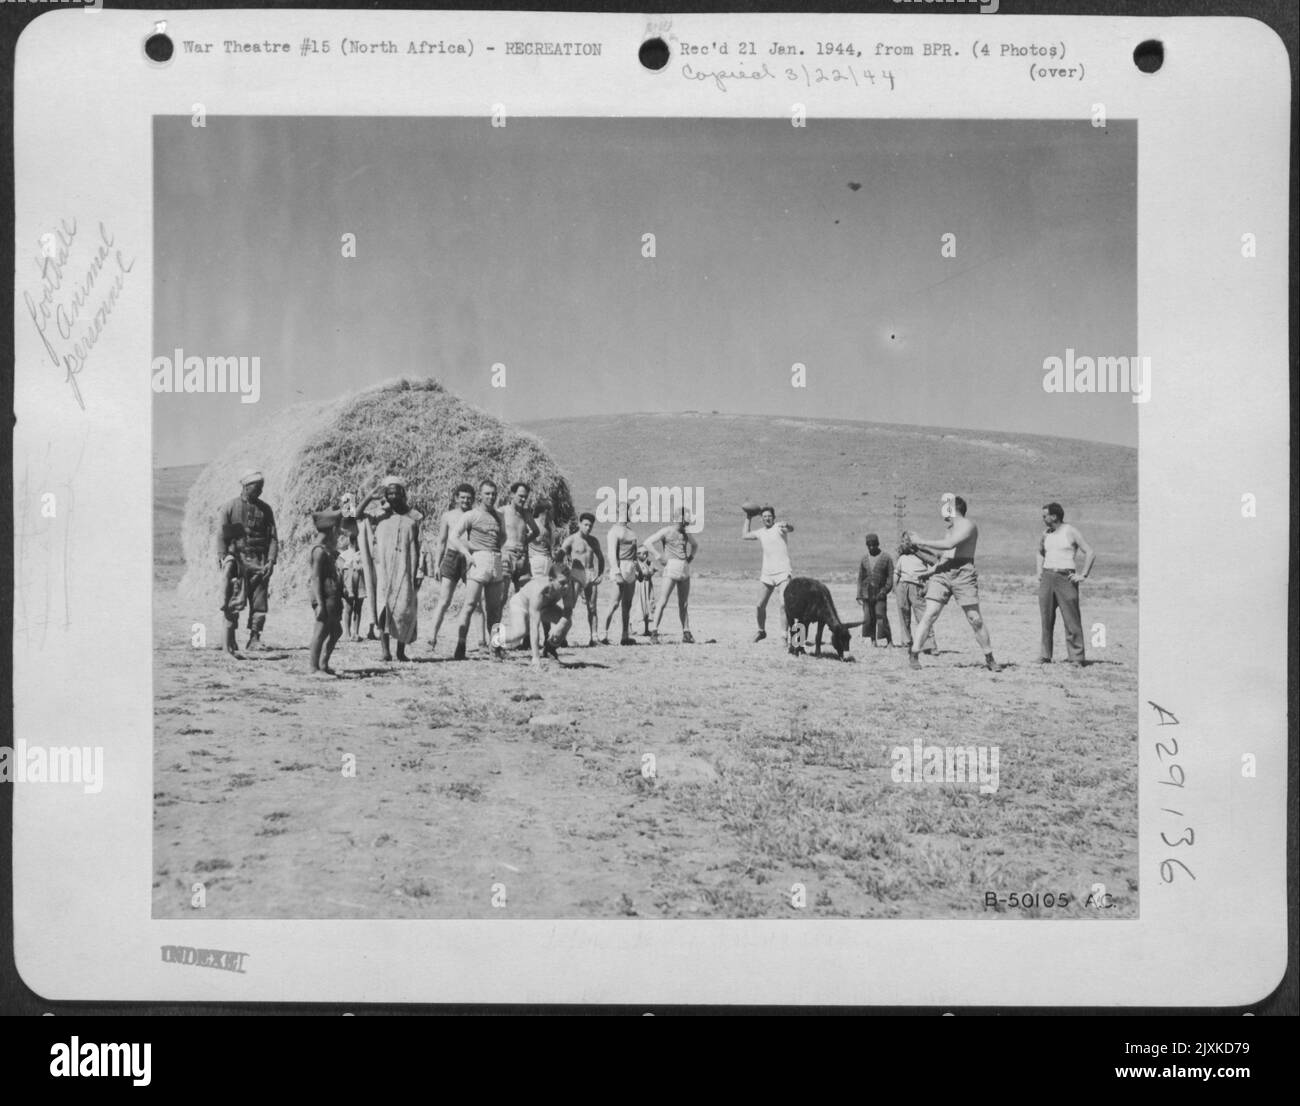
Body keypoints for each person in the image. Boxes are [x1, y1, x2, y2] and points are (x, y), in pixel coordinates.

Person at [905, 494, 1003, 672]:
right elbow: (946, 557)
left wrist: (920, 541)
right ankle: (914, 654)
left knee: (975, 619)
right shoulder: (951, 528)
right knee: (930, 614)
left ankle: (989, 657)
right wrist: (931, 571)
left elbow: (950, 545)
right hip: (943, 572)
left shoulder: (967, 525)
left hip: (963, 573)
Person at [357, 477, 421, 663]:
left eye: (396, 492)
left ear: (403, 494)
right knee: (384, 607)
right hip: (383, 569)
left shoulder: (414, 517)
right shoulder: (379, 515)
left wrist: (419, 571)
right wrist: (370, 497)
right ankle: (385, 650)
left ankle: (400, 651)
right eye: (389, 493)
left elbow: (420, 545)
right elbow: (353, 516)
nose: (393, 496)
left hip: (405, 569)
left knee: (404, 610)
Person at [215, 470, 279, 650]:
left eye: (261, 488)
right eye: (256, 487)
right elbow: (222, 535)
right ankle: (231, 639)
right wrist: (224, 558)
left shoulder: (266, 509)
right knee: (234, 599)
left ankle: (254, 639)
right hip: (238, 562)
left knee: (259, 602)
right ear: (245, 486)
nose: (260, 491)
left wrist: (271, 560)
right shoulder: (230, 507)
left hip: (260, 562)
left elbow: (273, 537)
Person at [451, 479, 509, 661]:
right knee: (470, 605)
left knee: (496, 609)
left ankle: (496, 648)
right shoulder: (472, 515)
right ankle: (461, 644)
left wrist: (496, 552)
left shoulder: (499, 516)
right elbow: (454, 536)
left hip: (495, 559)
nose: (491, 497)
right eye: (487, 494)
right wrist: (466, 553)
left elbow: (504, 537)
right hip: (478, 561)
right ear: (480, 495)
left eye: (493, 494)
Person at [425, 483, 487, 653]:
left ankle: (482, 642)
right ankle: (431, 639)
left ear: (474, 499)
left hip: (471, 558)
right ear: (456, 498)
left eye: (469, 498)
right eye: (462, 497)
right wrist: (437, 565)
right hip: (452, 557)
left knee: (477, 602)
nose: (465, 501)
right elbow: (442, 541)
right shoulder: (448, 516)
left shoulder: (477, 515)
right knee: (444, 600)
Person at [1036, 502, 1095, 665]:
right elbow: (1040, 553)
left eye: (1044, 516)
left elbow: (1090, 552)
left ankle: (1076, 657)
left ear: (1054, 516)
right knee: (1046, 618)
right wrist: (1039, 572)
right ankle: (1045, 655)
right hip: (1047, 578)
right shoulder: (1045, 534)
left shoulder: (1071, 531)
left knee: (1071, 619)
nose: (1043, 519)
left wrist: (1083, 575)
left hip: (1066, 578)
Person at [495, 557, 576, 668]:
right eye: (562, 582)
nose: (566, 586)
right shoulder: (539, 591)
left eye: (568, 581)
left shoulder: (567, 587)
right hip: (520, 605)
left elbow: (568, 610)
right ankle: (496, 637)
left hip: (545, 607)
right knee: (519, 634)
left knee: (567, 622)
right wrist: (535, 658)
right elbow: (534, 626)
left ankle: (550, 649)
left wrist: (559, 627)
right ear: (551, 579)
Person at [645, 511, 699, 643]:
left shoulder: (685, 533)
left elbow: (695, 545)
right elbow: (648, 542)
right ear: (679, 518)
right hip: (672, 566)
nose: (687, 521)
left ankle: (686, 632)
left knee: (684, 603)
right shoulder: (666, 531)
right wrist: (659, 556)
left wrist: (690, 558)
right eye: (685, 518)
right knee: (663, 601)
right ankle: (654, 631)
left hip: (683, 567)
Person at [742, 506, 794, 643]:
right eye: (764, 517)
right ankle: (761, 631)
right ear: (762, 519)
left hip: (783, 572)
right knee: (759, 605)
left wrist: (787, 524)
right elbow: (744, 535)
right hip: (767, 574)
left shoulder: (779, 527)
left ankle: (784, 635)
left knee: (784, 605)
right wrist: (748, 517)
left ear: (773, 517)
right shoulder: (761, 532)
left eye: (769, 516)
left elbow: (791, 528)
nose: (767, 518)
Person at [557, 512, 605, 646]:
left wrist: (600, 574)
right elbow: (560, 554)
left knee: (592, 607)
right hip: (576, 573)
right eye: (585, 525)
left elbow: (600, 558)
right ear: (579, 524)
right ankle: (562, 637)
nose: (588, 528)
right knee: (569, 607)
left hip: (590, 574)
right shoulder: (571, 539)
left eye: (590, 526)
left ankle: (594, 638)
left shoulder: (593, 541)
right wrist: (563, 572)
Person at [308, 509, 344, 677]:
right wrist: (320, 603)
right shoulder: (319, 551)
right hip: (324, 596)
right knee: (321, 631)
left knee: (336, 630)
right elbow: (315, 578)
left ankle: (323, 664)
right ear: (332, 530)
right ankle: (314, 668)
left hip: (332, 595)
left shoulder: (327, 549)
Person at [602, 503, 639, 645]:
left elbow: (635, 554)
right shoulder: (614, 531)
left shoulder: (631, 532)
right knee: (614, 603)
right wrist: (616, 572)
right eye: (626, 510)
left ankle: (625, 636)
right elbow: (611, 553)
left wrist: (638, 570)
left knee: (627, 604)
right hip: (621, 568)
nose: (629, 512)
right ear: (619, 512)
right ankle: (603, 635)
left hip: (631, 569)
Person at [894, 537, 938, 655]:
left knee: (923, 616)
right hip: (903, 587)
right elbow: (896, 574)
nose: (905, 545)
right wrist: (895, 588)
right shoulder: (902, 558)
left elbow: (933, 568)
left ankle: (930, 645)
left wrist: (926, 586)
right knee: (904, 615)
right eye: (904, 543)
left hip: (917, 586)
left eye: (908, 543)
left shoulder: (923, 558)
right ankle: (906, 643)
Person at [856, 532, 894, 647]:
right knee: (868, 617)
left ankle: (889, 640)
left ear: (878, 544)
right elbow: (860, 578)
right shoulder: (864, 559)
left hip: (880, 593)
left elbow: (890, 577)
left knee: (881, 616)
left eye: (874, 545)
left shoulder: (886, 558)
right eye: (869, 545)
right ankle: (873, 640)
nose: (872, 547)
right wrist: (859, 595)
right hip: (867, 594)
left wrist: (885, 590)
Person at [501, 481, 538, 599]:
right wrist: (502, 549)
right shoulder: (502, 511)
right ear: (512, 494)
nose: (523, 499)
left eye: (525, 497)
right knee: (502, 596)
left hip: (522, 557)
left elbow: (536, 531)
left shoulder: (526, 514)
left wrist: (524, 542)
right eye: (520, 496)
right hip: (507, 556)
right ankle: (495, 618)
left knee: (525, 596)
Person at [218, 522, 247, 658]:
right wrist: (224, 599)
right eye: (243, 540)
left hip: (234, 596)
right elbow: (225, 579)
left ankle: (230, 648)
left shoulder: (236, 558)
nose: (246, 542)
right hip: (230, 596)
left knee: (232, 621)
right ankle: (225, 651)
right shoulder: (230, 560)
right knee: (228, 622)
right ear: (235, 541)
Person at [337, 529, 366, 642]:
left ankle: (356, 633)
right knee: (349, 607)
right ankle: (347, 633)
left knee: (358, 607)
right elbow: (339, 569)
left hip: (360, 581)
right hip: (349, 582)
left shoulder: (362, 554)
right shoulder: (344, 555)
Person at [529, 498, 557, 579]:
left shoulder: (550, 527)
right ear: (546, 510)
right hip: (536, 560)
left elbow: (552, 546)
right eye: (552, 509)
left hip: (548, 562)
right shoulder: (533, 523)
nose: (554, 512)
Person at [635, 546, 658, 635]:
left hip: (648, 586)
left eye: (646, 553)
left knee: (648, 606)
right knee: (638, 605)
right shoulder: (636, 564)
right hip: (639, 586)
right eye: (641, 553)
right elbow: (636, 575)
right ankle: (631, 628)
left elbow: (653, 571)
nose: (644, 555)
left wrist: (650, 569)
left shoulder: (649, 563)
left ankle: (646, 629)